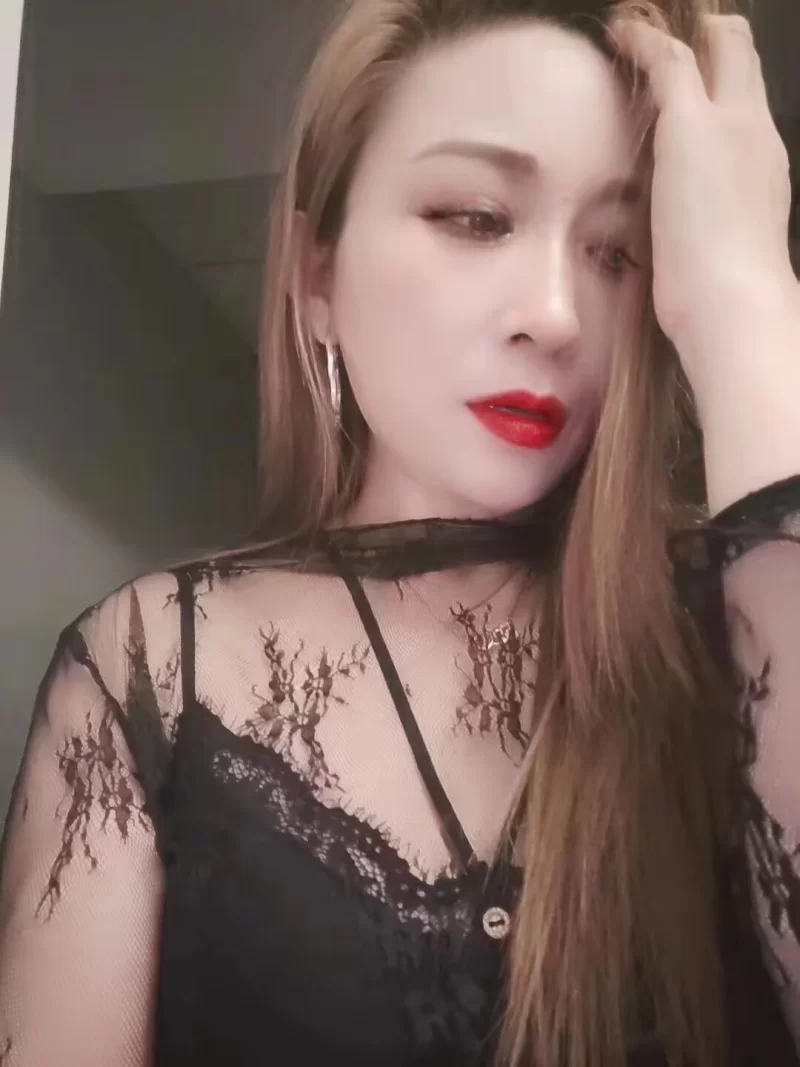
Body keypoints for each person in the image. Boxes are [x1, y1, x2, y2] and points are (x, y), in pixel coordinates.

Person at [0, 0, 798, 1064]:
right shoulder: (146, 668)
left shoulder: (739, 623)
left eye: (617, 251)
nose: (556, 315)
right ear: (316, 273)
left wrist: (746, 303)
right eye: (474, 217)